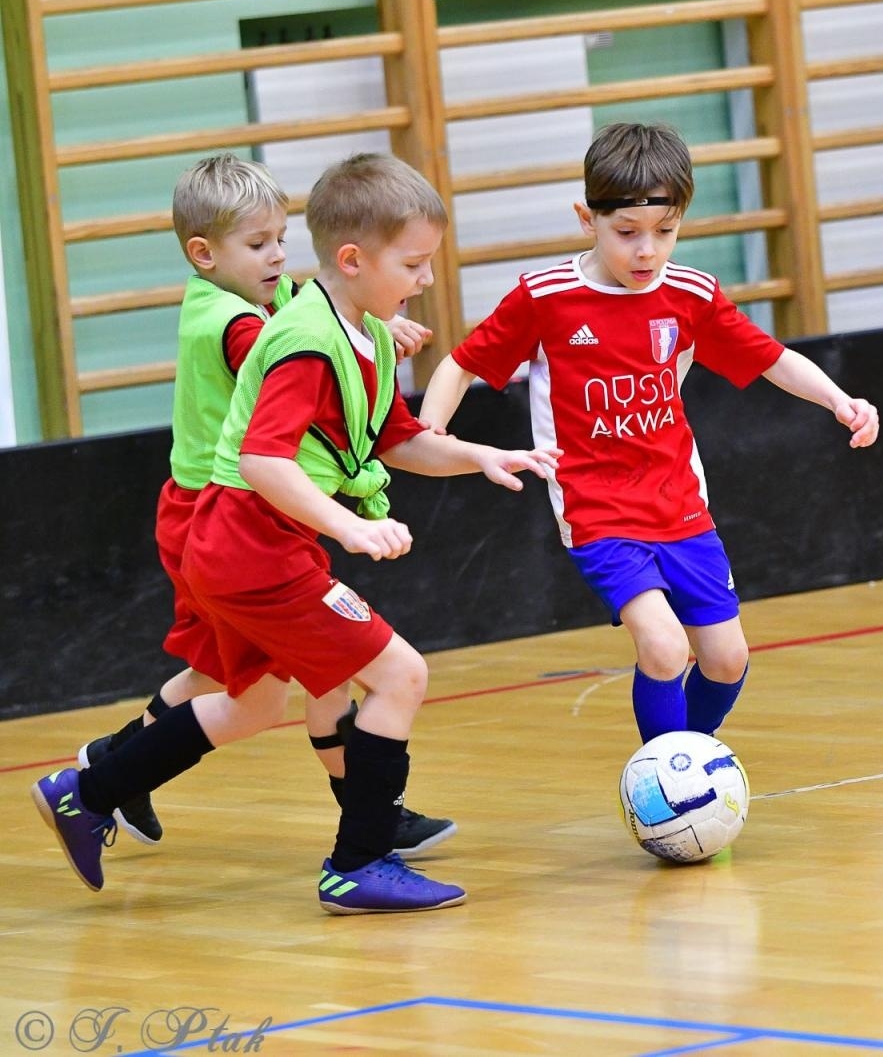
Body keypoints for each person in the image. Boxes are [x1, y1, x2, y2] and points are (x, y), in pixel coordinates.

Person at [31, 152, 560, 913]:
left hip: (242, 544)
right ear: (353, 259)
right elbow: (261, 459)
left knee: (255, 704)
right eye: (412, 263)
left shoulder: (366, 335)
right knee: (399, 675)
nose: (425, 280)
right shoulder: (305, 341)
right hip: (251, 547)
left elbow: (397, 439)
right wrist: (349, 526)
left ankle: (90, 791)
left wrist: (482, 454)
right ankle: (361, 859)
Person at [420, 122, 879, 746]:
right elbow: (462, 362)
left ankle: (686, 761)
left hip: (681, 504)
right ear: (588, 218)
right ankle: (668, 777)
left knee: (726, 659)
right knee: (664, 649)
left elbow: (771, 357)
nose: (647, 251)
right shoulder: (546, 297)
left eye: (665, 232)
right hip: (595, 507)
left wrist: (837, 399)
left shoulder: (691, 294)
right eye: (627, 234)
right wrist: (435, 430)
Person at [73, 153, 455, 858]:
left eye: (281, 238)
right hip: (215, 514)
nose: (278, 256)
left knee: (265, 682)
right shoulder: (231, 319)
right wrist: (364, 330)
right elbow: (293, 346)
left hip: (256, 513)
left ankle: (110, 775)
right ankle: (115, 767)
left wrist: (371, 324)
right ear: (203, 254)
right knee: (261, 674)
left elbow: (318, 320)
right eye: (258, 245)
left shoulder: (262, 303)